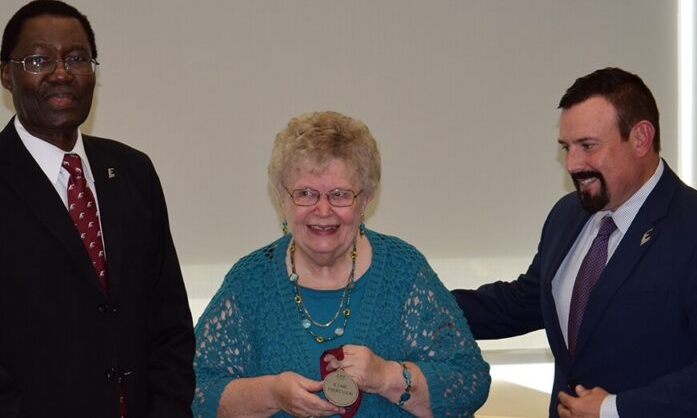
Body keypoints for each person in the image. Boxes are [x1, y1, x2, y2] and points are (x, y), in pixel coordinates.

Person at [0, 0, 194, 416]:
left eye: (77, 58)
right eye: (38, 59)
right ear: (5, 75)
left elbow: (169, 326)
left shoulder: (134, 173)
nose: (61, 73)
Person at [453, 67, 697, 417]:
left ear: (640, 138)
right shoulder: (566, 215)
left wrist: (614, 409)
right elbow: (520, 304)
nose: (572, 164)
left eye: (587, 146)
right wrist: (418, 301)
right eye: (566, 148)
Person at [192, 111, 489, 417]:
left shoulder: (405, 272)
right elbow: (194, 389)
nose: (323, 210)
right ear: (281, 198)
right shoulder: (250, 282)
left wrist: (387, 376)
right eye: (305, 193)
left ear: (366, 199)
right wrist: (272, 393)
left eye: (340, 194)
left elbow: (469, 381)